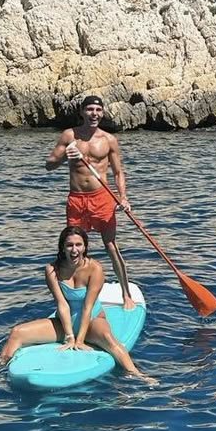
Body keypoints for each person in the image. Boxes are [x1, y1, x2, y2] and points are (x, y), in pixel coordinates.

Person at [0, 226, 155, 383]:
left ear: (85, 247)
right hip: (64, 322)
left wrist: (80, 340)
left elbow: (87, 307)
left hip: (92, 320)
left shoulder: (95, 269)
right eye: (69, 245)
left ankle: (137, 374)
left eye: (78, 245)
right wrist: (70, 336)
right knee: (17, 332)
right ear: (62, 248)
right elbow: (61, 304)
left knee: (108, 339)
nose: (74, 250)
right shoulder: (52, 269)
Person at [45, 95, 136, 310]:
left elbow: (118, 172)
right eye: (90, 109)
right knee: (73, 249)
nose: (94, 113)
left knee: (111, 247)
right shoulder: (69, 136)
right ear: (82, 112)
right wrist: (65, 157)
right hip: (76, 200)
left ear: (102, 113)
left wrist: (123, 197)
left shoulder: (109, 140)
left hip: (102, 198)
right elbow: (49, 165)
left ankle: (126, 294)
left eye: (98, 109)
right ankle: (72, 296)